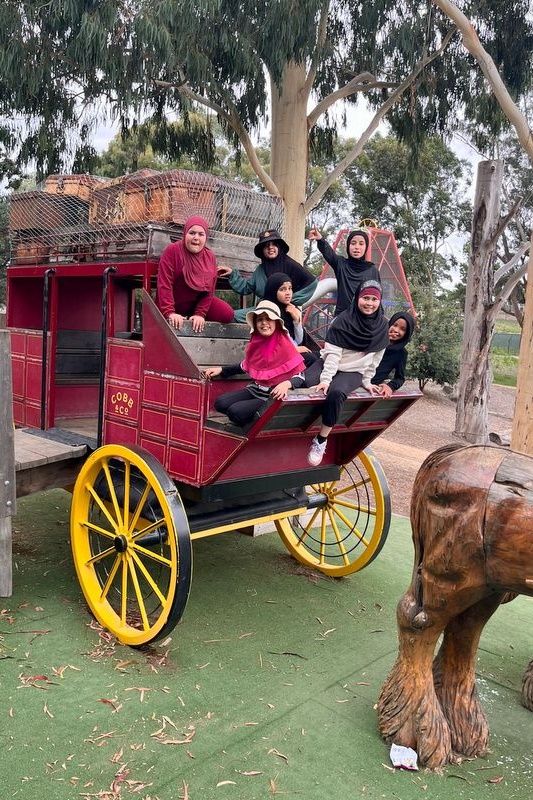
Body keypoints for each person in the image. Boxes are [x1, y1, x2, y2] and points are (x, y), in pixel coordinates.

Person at [302, 279, 389, 466]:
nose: (369, 303)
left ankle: (321, 439)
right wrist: (325, 379)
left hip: (354, 371)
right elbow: (332, 356)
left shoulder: (382, 326)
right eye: (365, 298)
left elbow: (375, 359)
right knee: (306, 382)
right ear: (357, 297)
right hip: (331, 363)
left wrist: (367, 381)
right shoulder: (343, 321)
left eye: (374, 299)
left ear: (379, 301)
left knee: (336, 392)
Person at [204, 299, 305, 428]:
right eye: (260, 319)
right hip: (256, 389)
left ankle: (257, 425)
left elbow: (300, 376)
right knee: (220, 403)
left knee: (235, 412)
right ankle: (252, 415)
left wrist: (287, 384)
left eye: (268, 319)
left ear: (276, 323)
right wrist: (222, 370)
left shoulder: (285, 344)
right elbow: (245, 365)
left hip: (272, 396)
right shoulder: (256, 343)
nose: (264, 323)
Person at [218, 229, 317, 323]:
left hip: (282, 314)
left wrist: (289, 300)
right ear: (262, 251)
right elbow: (247, 287)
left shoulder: (289, 264)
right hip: (263, 309)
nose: (270, 247)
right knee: (231, 316)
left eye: (274, 244)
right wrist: (232, 274)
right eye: (266, 245)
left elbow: (312, 282)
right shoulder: (260, 269)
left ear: (279, 247)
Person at [157, 215, 235, 333]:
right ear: (185, 234)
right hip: (173, 303)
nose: (196, 238)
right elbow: (164, 285)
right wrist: (170, 312)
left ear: (206, 237)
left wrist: (200, 314)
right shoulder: (172, 251)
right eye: (192, 233)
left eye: (201, 234)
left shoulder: (210, 257)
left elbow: (209, 291)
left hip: (193, 305)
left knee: (227, 314)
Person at [308, 225, 380, 316]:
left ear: (366, 247)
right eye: (353, 243)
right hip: (341, 319)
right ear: (348, 245)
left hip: (363, 320)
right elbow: (329, 254)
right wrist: (320, 239)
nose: (357, 247)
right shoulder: (341, 264)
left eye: (361, 244)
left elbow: (377, 296)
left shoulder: (372, 270)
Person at [370, 311, 415, 398]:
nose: (396, 330)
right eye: (395, 325)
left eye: (402, 329)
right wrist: (381, 338)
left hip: (372, 388)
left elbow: (400, 378)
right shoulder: (375, 338)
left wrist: (390, 386)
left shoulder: (401, 353)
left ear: (407, 334)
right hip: (353, 378)